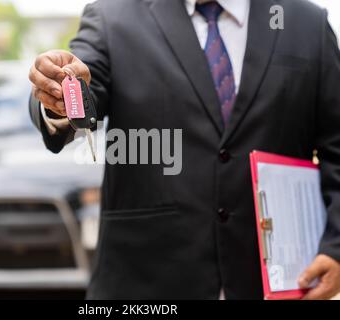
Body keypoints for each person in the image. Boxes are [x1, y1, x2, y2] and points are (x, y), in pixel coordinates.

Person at [28, 0, 340, 299]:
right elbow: (83, 84)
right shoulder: (111, 18)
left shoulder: (307, 23)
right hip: (147, 284)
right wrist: (59, 94)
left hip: (278, 282)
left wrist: (337, 247)